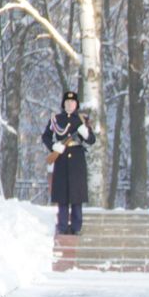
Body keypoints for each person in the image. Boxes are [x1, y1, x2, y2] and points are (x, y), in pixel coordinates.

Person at [42, 91, 95, 235]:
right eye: (67, 102)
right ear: (63, 104)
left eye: (72, 102)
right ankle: (63, 226)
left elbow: (91, 140)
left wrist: (85, 133)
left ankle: (77, 227)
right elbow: (46, 136)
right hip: (62, 158)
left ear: (76, 104)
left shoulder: (82, 119)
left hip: (77, 160)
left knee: (76, 196)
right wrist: (53, 146)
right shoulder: (56, 119)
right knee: (63, 196)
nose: (70, 105)